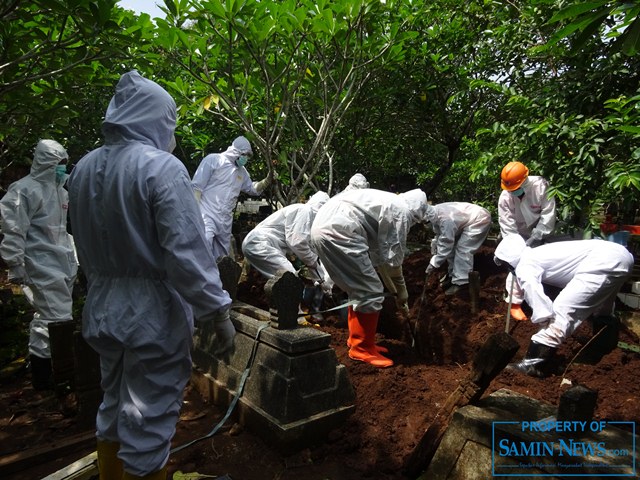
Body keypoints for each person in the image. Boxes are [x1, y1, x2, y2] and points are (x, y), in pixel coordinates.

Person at [67, 71, 235, 480]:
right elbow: (187, 254)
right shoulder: (161, 168)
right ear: (156, 118)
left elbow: (81, 239)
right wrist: (217, 311)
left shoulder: (85, 167)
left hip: (103, 306)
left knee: (113, 405)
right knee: (149, 419)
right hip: (152, 315)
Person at [310, 188, 429, 368]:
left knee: (361, 288)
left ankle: (358, 341)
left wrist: (395, 291)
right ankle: (361, 348)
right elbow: (394, 262)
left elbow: (381, 261)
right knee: (370, 291)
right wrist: (401, 291)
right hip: (340, 232)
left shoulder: (386, 203)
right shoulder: (402, 211)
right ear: (416, 212)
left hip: (327, 228)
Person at [494, 234, 633, 378]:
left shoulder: (525, 264)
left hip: (603, 261)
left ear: (509, 260)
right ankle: (604, 350)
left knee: (562, 309)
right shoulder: (538, 253)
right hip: (621, 256)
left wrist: (544, 318)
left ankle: (532, 365)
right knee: (603, 308)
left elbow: (533, 291)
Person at [0, 139, 78, 391]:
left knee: (47, 318)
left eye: (64, 164)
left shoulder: (61, 191)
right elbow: (13, 229)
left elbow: (60, 230)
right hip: (39, 263)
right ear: (46, 162)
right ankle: (60, 376)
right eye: (59, 164)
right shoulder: (24, 190)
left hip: (61, 263)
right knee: (57, 319)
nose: (62, 169)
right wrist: (15, 262)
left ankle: (43, 375)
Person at [242, 191, 333, 321]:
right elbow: (297, 242)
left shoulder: (307, 216)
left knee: (283, 280)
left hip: (260, 245)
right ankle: (297, 319)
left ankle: (287, 315)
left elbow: (312, 252)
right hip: (260, 244)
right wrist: (317, 273)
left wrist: (320, 280)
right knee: (289, 277)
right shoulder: (305, 211)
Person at [192, 136, 271, 260]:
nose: (246, 158)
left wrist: (266, 181)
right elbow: (197, 187)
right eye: (244, 154)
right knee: (204, 244)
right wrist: (194, 212)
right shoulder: (214, 160)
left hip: (225, 219)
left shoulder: (242, 172)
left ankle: (217, 278)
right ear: (236, 152)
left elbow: (252, 189)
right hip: (207, 213)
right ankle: (197, 277)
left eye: (248, 156)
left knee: (223, 255)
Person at [498, 161, 556, 321]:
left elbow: (548, 214)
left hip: (541, 232)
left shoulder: (542, 186)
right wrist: (516, 246)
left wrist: (538, 235)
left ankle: (543, 300)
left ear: (525, 180)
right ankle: (515, 303)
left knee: (544, 264)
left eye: (516, 188)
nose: (513, 192)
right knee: (517, 264)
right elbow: (507, 226)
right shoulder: (505, 198)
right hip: (519, 234)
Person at [424, 202, 492, 295]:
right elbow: (441, 235)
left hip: (479, 219)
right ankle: (453, 276)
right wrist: (436, 244)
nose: (425, 225)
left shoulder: (445, 219)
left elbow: (446, 243)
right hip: (468, 221)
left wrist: (435, 263)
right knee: (453, 248)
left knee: (463, 248)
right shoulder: (435, 213)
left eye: (426, 223)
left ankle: (462, 282)